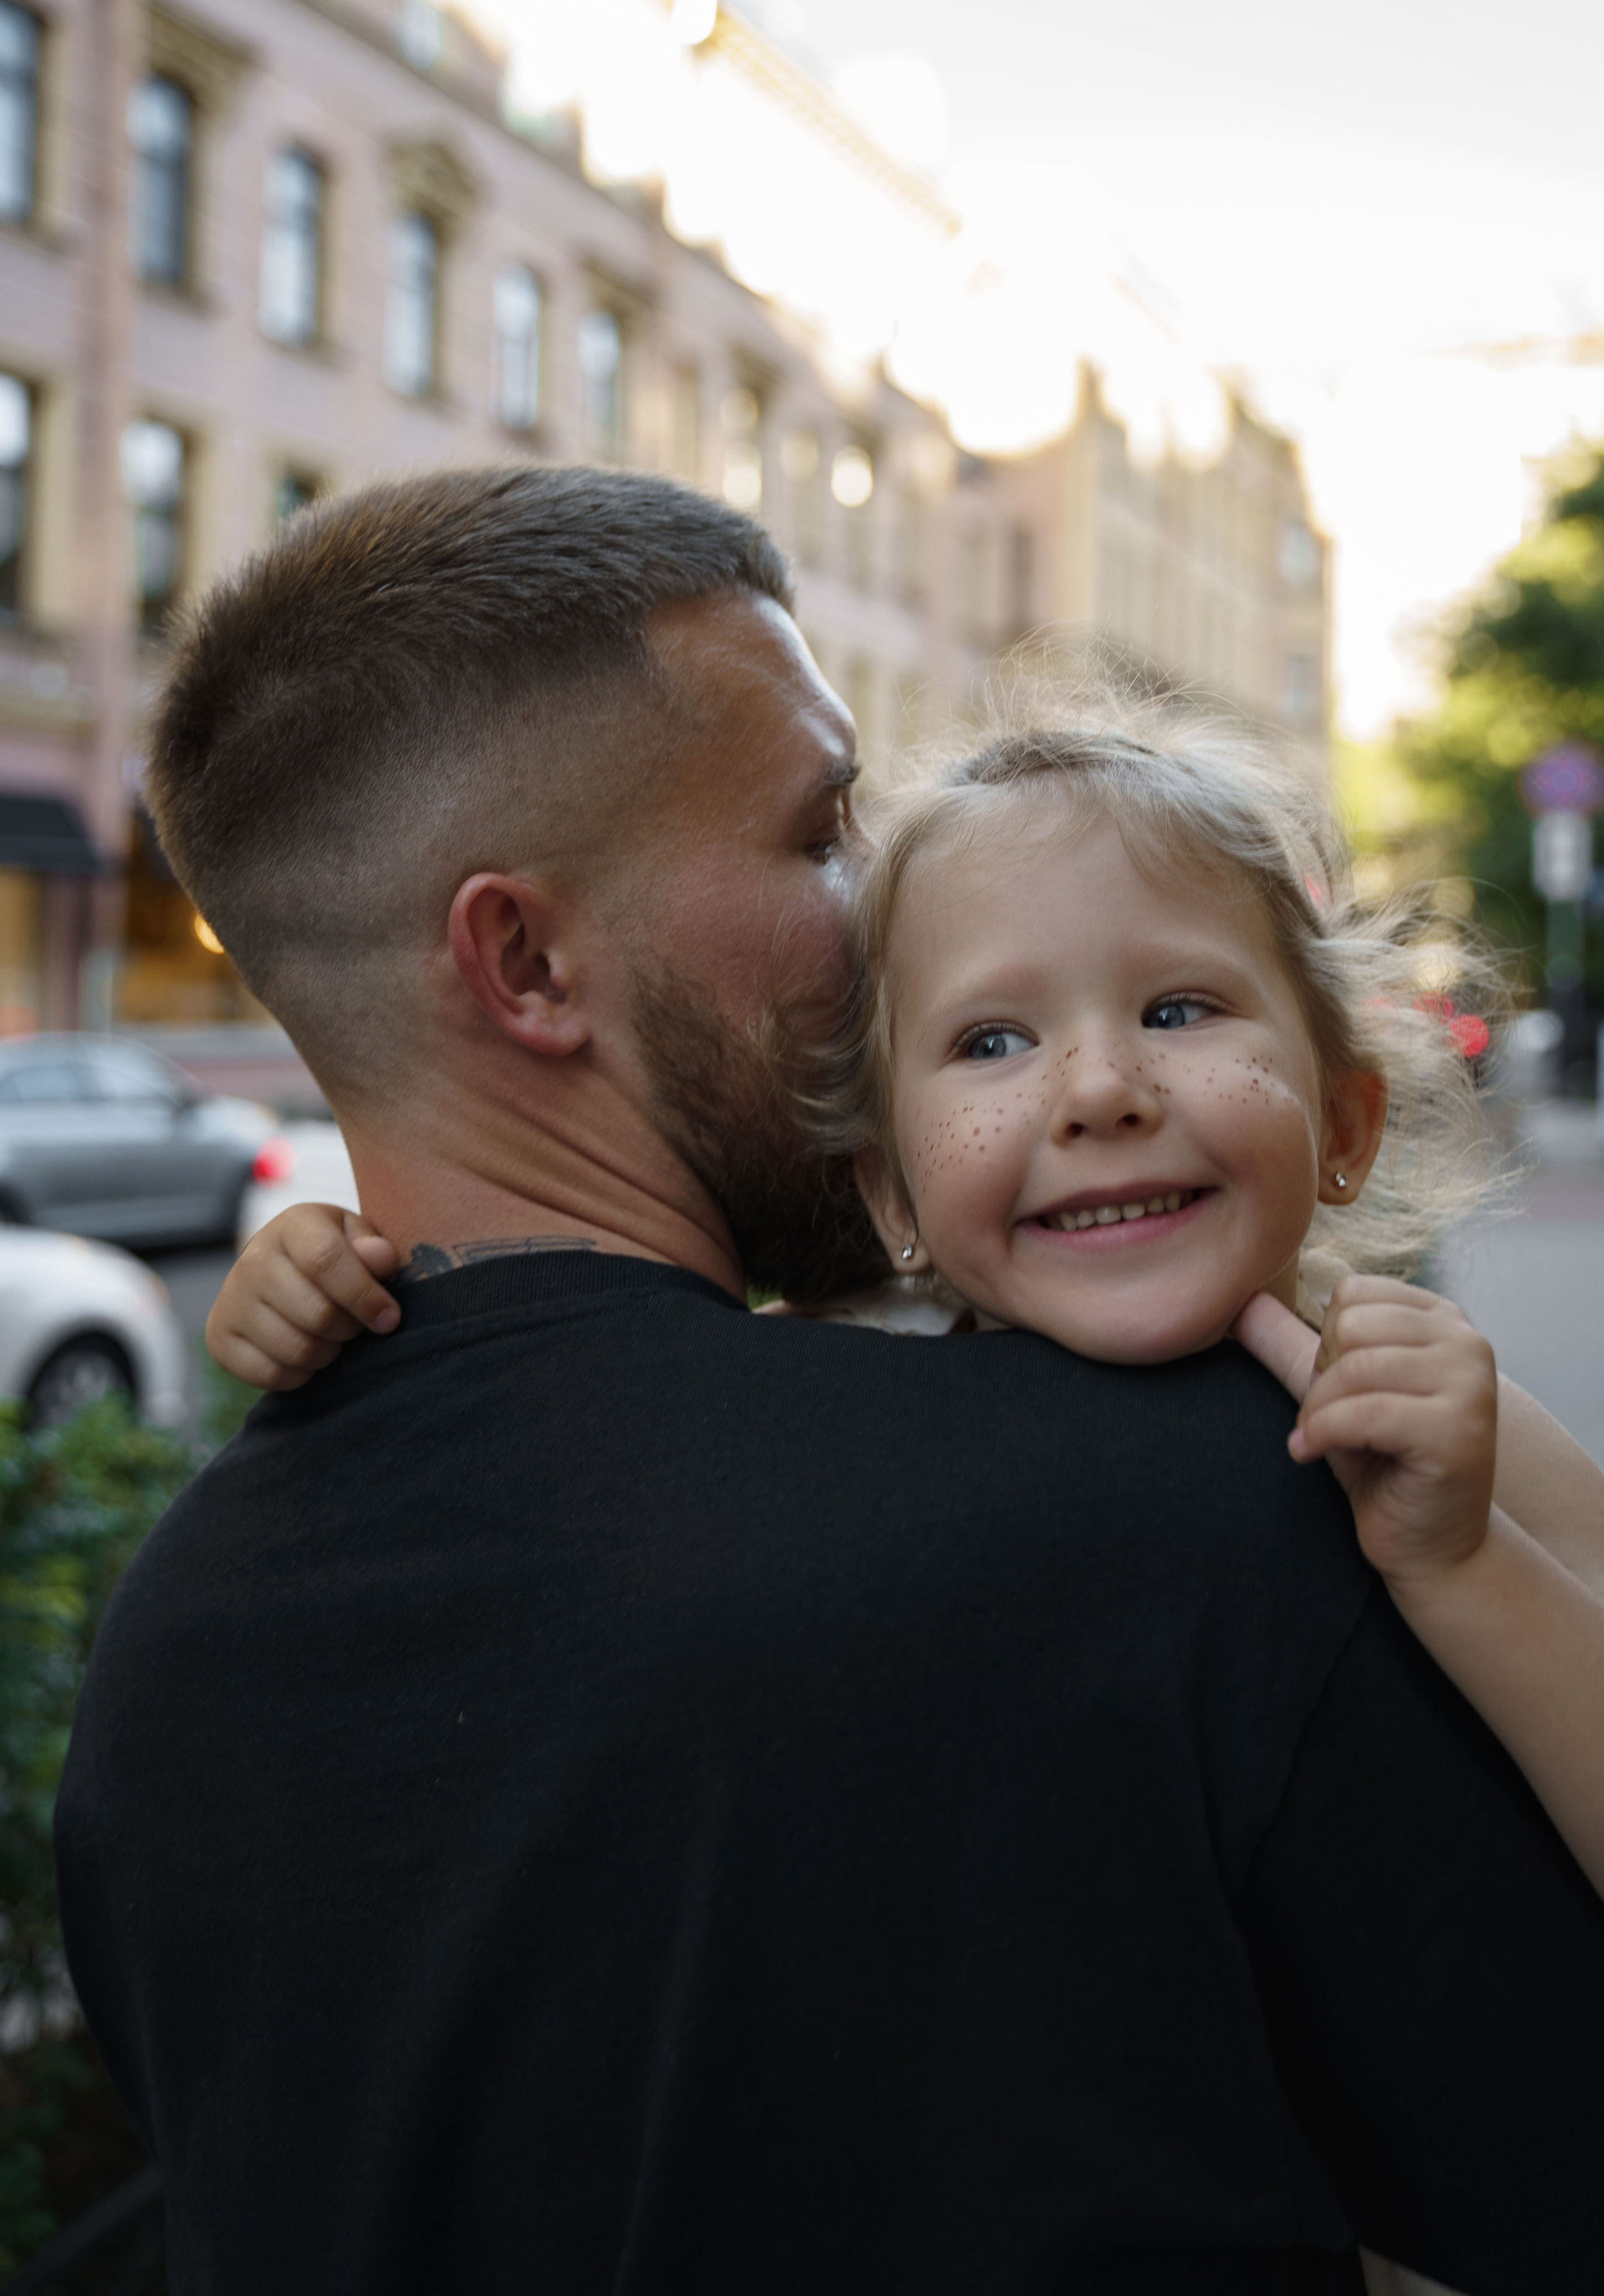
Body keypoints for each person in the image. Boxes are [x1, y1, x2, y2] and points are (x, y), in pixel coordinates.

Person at [55, 467, 1604, 2295]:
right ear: (529, 962)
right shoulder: (1180, 1510)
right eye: (819, 836)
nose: (886, 915)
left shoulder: (160, 1661)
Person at [216, 693, 1604, 1913]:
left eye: (1180, 1010)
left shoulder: (1425, 1415)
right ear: (886, 1194)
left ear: (1345, 1121)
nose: (1098, 1089)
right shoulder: (827, 1378)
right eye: (991, 1040)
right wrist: (327, 1280)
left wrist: (1461, 1559)